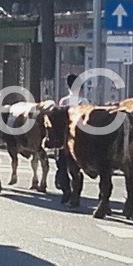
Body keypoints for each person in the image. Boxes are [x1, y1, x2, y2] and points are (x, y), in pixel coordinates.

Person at [56, 73, 88, 204]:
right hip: (78, 141)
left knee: (62, 166)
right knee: (76, 169)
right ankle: (76, 194)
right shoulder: (84, 102)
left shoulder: (63, 102)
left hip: (64, 140)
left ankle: (66, 191)